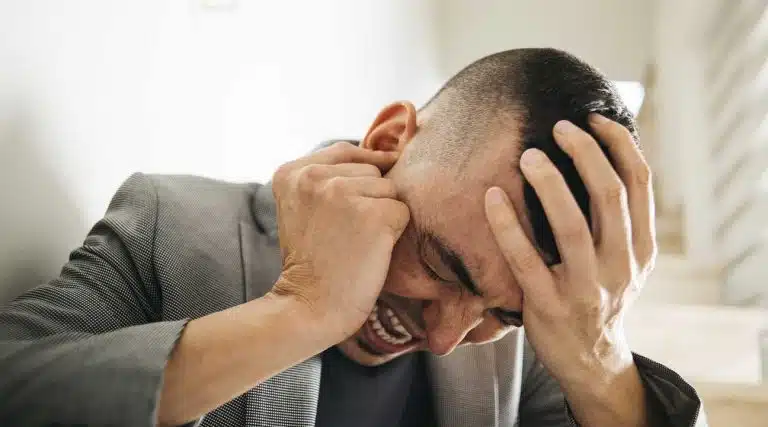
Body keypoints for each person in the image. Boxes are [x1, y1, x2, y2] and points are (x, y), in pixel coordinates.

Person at [0, 48, 706, 427]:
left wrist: (600, 359)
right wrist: (300, 309)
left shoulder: (537, 347)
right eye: (441, 263)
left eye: (501, 313)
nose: (445, 334)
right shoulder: (169, 223)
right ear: (390, 139)